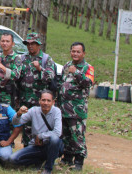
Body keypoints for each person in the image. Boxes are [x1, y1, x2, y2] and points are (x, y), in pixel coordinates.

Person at [58, 42, 94, 171]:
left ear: (83, 53)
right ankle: (67, 158)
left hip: (77, 110)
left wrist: (77, 73)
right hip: (64, 108)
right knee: (66, 135)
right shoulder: (67, 65)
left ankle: (79, 162)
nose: (75, 54)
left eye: (78, 52)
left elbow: (88, 83)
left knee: (77, 136)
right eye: (73, 51)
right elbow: (62, 84)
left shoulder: (88, 67)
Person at [10, 91, 63, 174]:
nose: (46, 103)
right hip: (36, 146)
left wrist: (41, 136)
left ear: (53, 102)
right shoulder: (34, 110)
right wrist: (19, 114)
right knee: (13, 159)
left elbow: (57, 132)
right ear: (39, 101)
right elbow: (16, 122)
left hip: (51, 146)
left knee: (55, 139)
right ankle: (39, 160)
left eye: (48, 101)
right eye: (43, 100)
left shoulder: (57, 111)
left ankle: (48, 169)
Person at [18, 32, 56, 145]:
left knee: (40, 126)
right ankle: (26, 150)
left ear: (39, 45)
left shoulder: (46, 59)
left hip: (40, 101)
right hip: (25, 99)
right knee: (26, 126)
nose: (30, 46)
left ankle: (40, 152)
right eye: (28, 44)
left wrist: (40, 69)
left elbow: (50, 77)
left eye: (33, 44)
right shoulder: (23, 58)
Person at [0, 33, 22, 106]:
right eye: (3, 41)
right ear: (0, 42)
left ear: (13, 44)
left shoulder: (16, 58)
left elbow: (16, 76)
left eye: (7, 41)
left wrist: (2, 67)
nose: (5, 43)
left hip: (8, 96)